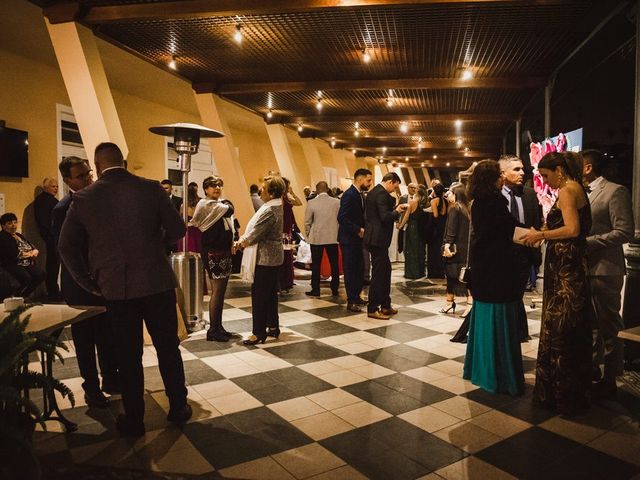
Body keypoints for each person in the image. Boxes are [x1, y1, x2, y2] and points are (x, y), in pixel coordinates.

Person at [59, 142, 190, 437]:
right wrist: (156, 241)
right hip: (156, 283)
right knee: (167, 348)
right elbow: (178, 230)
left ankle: (134, 420)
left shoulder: (84, 198)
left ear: (97, 165)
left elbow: (65, 246)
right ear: (124, 162)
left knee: (128, 356)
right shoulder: (151, 188)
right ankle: (178, 407)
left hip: (114, 289)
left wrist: (86, 282)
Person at [521, 151, 593, 415]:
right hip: (571, 265)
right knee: (570, 327)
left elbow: (572, 229)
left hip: (565, 269)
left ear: (559, 169)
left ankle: (560, 396)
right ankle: (572, 393)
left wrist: (541, 234)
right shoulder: (577, 189)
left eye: (546, 175)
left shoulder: (567, 190)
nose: (545, 181)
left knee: (561, 328)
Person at [51, 156, 119, 408]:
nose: (88, 178)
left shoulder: (99, 202)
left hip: (103, 280)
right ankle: (91, 386)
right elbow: (65, 250)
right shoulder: (63, 208)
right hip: (79, 284)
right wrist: (85, 279)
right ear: (68, 180)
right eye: (80, 176)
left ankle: (111, 379)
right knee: (85, 338)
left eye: (89, 173)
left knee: (107, 333)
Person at [463, 160, 524, 396]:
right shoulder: (495, 201)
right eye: (499, 174)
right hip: (497, 271)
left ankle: (483, 370)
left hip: (484, 271)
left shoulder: (478, 202)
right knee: (500, 322)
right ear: (491, 178)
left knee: (486, 321)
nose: (502, 178)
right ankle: (500, 376)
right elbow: (506, 233)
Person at [582, 149, 634, 399]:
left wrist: (588, 242)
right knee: (591, 326)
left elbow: (624, 231)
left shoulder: (615, 191)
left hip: (606, 270)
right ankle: (592, 373)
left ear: (588, 167)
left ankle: (611, 379)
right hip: (586, 270)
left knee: (610, 328)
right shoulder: (582, 193)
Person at [236, 175, 285, 345]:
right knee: (270, 294)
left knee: (259, 295)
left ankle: (258, 333)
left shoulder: (270, 211)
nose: (260, 190)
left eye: (263, 188)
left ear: (272, 193)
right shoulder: (275, 206)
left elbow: (256, 234)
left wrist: (240, 243)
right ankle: (273, 326)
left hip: (265, 258)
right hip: (273, 257)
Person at [499, 155, 543, 341]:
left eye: (522, 169)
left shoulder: (529, 194)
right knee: (502, 298)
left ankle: (518, 332)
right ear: (503, 173)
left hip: (524, 256)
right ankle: (503, 332)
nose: (522, 172)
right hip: (500, 257)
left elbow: (535, 224)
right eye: (516, 169)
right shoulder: (493, 196)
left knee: (517, 296)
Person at [190, 176, 236, 342]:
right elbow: (230, 209)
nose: (216, 188)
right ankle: (213, 330)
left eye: (219, 185)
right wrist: (228, 204)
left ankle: (218, 326)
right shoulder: (206, 204)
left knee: (221, 291)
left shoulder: (219, 204)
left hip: (222, 251)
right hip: (213, 252)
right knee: (217, 291)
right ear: (206, 189)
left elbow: (229, 207)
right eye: (212, 186)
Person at [364, 172, 409, 320]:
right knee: (379, 274)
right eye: (394, 186)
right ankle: (373, 308)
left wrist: (395, 207)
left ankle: (385, 304)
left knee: (385, 271)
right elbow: (384, 217)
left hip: (374, 238)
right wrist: (397, 211)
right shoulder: (381, 194)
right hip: (377, 240)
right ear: (390, 181)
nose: (394, 189)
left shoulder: (373, 192)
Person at [338, 168, 372, 312]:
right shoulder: (349, 194)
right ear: (359, 179)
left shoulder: (359, 194)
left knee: (359, 269)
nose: (369, 183)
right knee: (351, 270)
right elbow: (342, 217)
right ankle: (351, 300)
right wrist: (358, 229)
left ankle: (356, 296)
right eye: (368, 180)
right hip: (349, 239)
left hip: (357, 239)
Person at [305, 181, 341, 297]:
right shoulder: (337, 202)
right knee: (334, 263)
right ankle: (335, 288)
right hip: (333, 237)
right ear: (327, 189)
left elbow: (307, 221)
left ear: (317, 189)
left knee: (316, 264)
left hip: (317, 237)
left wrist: (308, 234)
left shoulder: (311, 202)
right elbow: (340, 219)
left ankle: (315, 289)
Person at [441, 183, 472, 316]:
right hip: (465, 248)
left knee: (453, 276)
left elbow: (451, 229)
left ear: (456, 194)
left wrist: (447, 245)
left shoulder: (455, 208)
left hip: (454, 248)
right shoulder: (467, 209)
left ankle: (464, 304)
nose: (448, 195)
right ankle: (451, 302)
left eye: (451, 193)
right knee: (462, 276)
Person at [0, 213, 45, 298]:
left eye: (15, 222)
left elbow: (30, 246)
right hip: (13, 264)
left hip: (25, 263)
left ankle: (24, 296)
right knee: (26, 277)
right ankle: (16, 296)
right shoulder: (3, 237)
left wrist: (35, 250)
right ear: (3, 226)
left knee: (41, 274)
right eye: (9, 223)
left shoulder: (18, 235)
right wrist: (30, 254)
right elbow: (14, 254)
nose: (13, 225)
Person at [34, 177, 61, 300]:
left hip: (51, 236)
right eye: (53, 186)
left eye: (56, 186)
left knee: (53, 264)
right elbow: (45, 221)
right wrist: (54, 234)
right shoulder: (46, 201)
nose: (56, 189)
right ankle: (53, 291)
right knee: (53, 265)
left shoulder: (42, 200)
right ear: (46, 187)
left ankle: (53, 290)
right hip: (53, 237)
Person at [397, 187, 427, 279]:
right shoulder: (425, 203)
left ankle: (412, 273)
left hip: (412, 227)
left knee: (411, 250)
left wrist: (401, 226)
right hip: (421, 228)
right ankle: (421, 272)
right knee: (420, 250)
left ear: (416, 192)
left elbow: (406, 216)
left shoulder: (412, 202)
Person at [278, 177, 300, 293]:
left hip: (288, 229)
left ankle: (287, 281)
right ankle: (282, 282)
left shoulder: (286, 197)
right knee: (283, 256)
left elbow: (299, 203)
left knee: (288, 256)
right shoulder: (280, 197)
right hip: (281, 229)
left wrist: (292, 193)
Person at [427, 183, 448, 279]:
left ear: (435, 191)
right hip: (444, 226)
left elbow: (435, 215)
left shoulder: (434, 201)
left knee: (434, 250)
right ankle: (441, 271)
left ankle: (434, 272)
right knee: (441, 249)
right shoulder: (446, 201)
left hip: (436, 227)